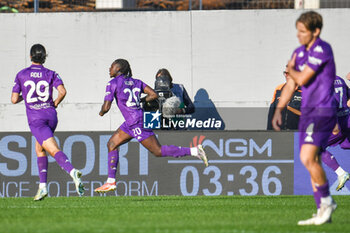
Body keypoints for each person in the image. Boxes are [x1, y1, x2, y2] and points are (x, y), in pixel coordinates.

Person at [94, 59, 208, 193]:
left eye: (111, 66)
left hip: (136, 122)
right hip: (132, 121)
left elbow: (106, 107)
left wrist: (101, 111)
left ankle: (195, 151)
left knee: (157, 151)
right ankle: (110, 182)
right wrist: (140, 100)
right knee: (112, 144)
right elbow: (153, 94)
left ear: (118, 69)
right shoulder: (137, 82)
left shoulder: (113, 83)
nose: (109, 68)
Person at [272, 11, 337, 225]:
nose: (299, 35)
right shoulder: (299, 52)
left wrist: (291, 70)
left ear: (315, 31)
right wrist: (279, 109)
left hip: (323, 110)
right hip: (309, 114)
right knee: (311, 160)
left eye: (303, 31)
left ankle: (327, 203)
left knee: (308, 157)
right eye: (297, 31)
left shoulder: (322, 49)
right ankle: (322, 210)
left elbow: (302, 77)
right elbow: (291, 84)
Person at [11, 44, 84, 201]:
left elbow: (14, 99)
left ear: (30, 57)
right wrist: (56, 102)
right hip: (51, 115)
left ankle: (72, 171)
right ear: (44, 57)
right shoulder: (51, 73)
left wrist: (27, 96)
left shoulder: (22, 74)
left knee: (52, 149)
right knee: (40, 148)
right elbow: (63, 91)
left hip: (36, 119)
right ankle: (42, 187)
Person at [321, 75, 350, 191]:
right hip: (348, 119)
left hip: (338, 123)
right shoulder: (340, 79)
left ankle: (341, 173)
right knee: (345, 144)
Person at [267, 66, 301, 130]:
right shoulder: (278, 89)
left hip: (296, 134)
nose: (286, 75)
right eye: (285, 73)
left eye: (289, 73)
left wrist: (289, 106)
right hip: (279, 134)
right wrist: (268, 133)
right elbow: (271, 112)